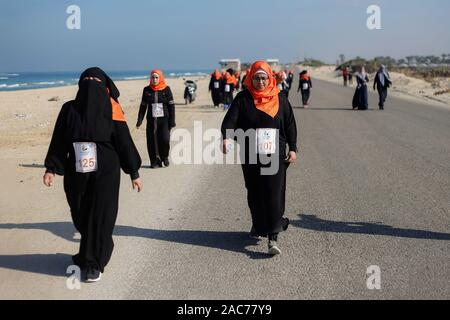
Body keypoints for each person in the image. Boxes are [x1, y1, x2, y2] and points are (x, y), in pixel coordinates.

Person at [43, 67, 142, 282]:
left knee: (100, 214)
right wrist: (51, 168)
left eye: (95, 79)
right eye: (85, 79)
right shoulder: (69, 109)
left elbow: (124, 142)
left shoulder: (113, 108)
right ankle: (90, 251)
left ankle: (94, 263)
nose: (90, 82)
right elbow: (59, 140)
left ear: (104, 85)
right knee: (80, 212)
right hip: (77, 168)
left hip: (106, 168)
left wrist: (133, 171)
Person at [221, 61, 298, 255]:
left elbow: (289, 125)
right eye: (257, 77)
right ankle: (257, 225)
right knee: (254, 192)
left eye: (264, 78)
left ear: (270, 78)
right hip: (250, 154)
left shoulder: (281, 99)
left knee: (273, 192)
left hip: (274, 155)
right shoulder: (243, 98)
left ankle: (273, 237)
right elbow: (230, 120)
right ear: (250, 78)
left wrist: (293, 148)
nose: (261, 81)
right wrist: (226, 138)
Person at [136, 69, 176, 168]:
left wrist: (172, 121)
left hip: (164, 120)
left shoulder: (167, 89)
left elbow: (171, 106)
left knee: (165, 139)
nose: (154, 79)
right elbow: (143, 106)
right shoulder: (146, 90)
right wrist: (139, 120)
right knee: (151, 141)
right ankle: (154, 161)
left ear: (160, 78)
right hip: (151, 120)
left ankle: (164, 157)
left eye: (156, 77)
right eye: (153, 77)